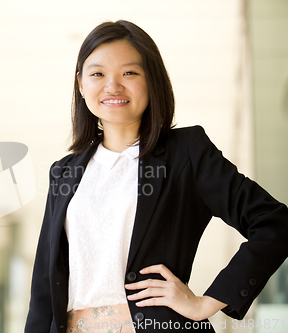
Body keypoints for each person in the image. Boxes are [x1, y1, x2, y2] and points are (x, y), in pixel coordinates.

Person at [24, 20, 288, 333]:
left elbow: (274, 222)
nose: (112, 86)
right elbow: (44, 285)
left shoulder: (186, 153)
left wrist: (208, 301)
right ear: (81, 85)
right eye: (97, 74)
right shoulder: (64, 172)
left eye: (130, 73)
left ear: (152, 82)